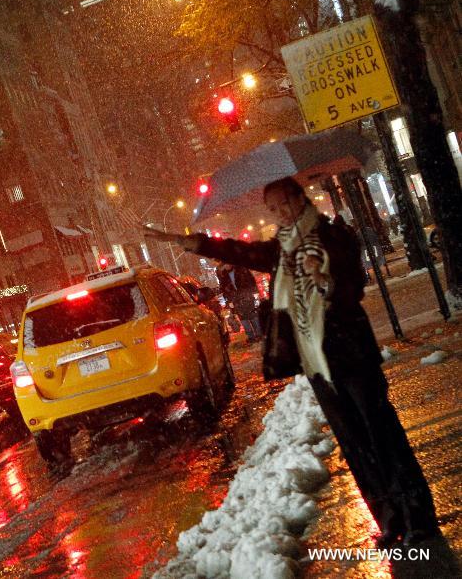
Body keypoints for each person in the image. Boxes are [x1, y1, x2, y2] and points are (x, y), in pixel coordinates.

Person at [145, 176, 440, 548]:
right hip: (316, 360)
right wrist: (187, 242)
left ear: (301, 199)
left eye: (285, 203)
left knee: (382, 433)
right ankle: (389, 519)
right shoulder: (281, 249)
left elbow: (353, 287)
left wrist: (326, 282)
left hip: (351, 352)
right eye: (273, 208)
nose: (281, 213)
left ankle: (418, 517)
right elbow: (241, 252)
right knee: (353, 443)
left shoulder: (333, 236)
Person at [216, 261, 262, 342]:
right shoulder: (224, 276)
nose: (227, 266)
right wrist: (229, 301)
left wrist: (254, 292)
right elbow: (224, 289)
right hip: (236, 300)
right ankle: (251, 336)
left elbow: (251, 281)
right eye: (225, 265)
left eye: (228, 264)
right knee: (243, 319)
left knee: (253, 315)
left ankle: (259, 334)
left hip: (247, 296)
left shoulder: (241, 269)